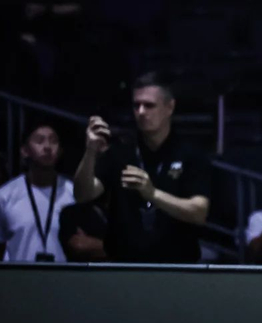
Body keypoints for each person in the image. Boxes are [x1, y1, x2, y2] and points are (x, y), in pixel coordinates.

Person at [75, 73, 211, 262]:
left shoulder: (190, 154)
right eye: (136, 105)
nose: (140, 111)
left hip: (176, 269)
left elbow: (199, 213)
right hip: (122, 267)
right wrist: (90, 152)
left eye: (149, 105)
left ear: (169, 107)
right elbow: (83, 194)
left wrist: (152, 194)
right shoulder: (119, 152)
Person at [0, 124, 77, 262]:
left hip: (65, 279)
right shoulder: (5, 195)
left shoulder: (73, 193)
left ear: (60, 151)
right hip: (18, 280)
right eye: (39, 141)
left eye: (53, 141)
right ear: (25, 151)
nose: (48, 147)